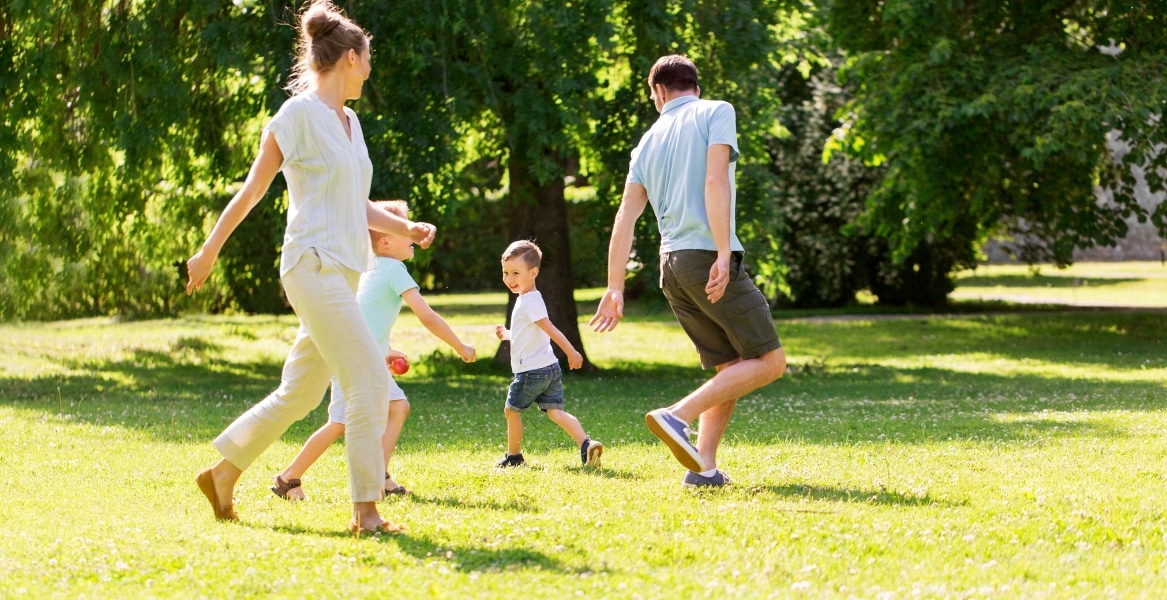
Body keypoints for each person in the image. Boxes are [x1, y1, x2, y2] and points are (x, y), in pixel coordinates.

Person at [186, 0, 434, 533]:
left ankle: (223, 473)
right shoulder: (297, 115)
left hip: (343, 271)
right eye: (367, 58)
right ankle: (366, 509)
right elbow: (252, 191)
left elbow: (356, 202)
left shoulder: (352, 122)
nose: (369, 68)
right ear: (348, 57)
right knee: (368, 381)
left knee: (300, 393)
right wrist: (208, 250)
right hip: (311, 264)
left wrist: (404, 229)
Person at [588, 55, 787, 488]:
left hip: (671, 267)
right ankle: (676, 417)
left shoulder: (647, 141)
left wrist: (614, 286)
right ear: (693, 84)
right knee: (770, 361)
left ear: (659, 91)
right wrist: (722, 252)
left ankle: (704, 468)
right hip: (705, 257)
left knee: (730, 364)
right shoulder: (717, 111)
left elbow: (625, 216)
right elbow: (716, 181)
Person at [270, 200, 477, 501]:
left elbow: (366, 317)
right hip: (351, 359)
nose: (411, 235)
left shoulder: (369, 269)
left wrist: (385, 349)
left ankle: (379, 474)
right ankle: (288, 478)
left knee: (397, 406)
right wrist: (460, 345)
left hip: (360, 355)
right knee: (340, 423)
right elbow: (426, 315)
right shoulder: (395, 269)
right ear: (385, 240)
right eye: (404, 227)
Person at [493, 240, 603, 469]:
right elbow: (528, 333)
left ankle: (514, 457)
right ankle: (586, 444)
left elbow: (549, 328)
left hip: (531, 371)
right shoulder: (529, 298)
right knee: (555, 412)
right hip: (550, 368)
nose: (509, 278)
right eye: (505, 272)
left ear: (533, 272)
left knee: (511, 411)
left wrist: (572, 352)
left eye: (516, 273)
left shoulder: (529, 301)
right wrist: (508, 335)